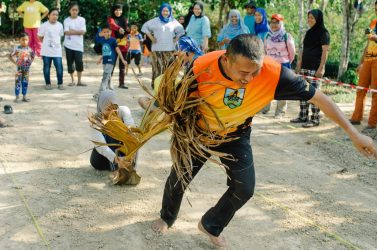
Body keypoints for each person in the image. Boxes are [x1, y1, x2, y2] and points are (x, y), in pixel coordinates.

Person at [151, 34, 377, 248]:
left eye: (255, 72)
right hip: (199, 132)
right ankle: (166, 217)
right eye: (243, 72)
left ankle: (211, 224)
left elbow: (320, 99)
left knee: (245, 188)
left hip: (235, 134)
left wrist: (353, 133)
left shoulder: (275, 74)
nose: (249, 79)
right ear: (226, 60)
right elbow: (176, 102)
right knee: (179, 176)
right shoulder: (202, 67)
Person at [137, 36, 203, 110]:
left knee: (143, 100)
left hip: (175, 106)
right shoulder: (191, 63)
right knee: (143, 99)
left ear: (188, 52)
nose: (178, 53)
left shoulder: (194, 65)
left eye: (179, 51)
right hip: (173, 105)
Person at [290, 9, 330, 128]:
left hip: (315, 68)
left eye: (312, 18)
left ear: (318, 19)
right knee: (303, 92)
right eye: (308, 17)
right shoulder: (308, 33)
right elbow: (303, 49)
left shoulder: (324, 33)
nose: (309, 20)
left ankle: (315, 119)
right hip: (304, 68)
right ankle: (303, 116)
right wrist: (298, 64)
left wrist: (321, 68)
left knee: (314, 94)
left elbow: (325, 51)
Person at [91, 90, 140, 184]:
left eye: (114, 107)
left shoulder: (123, 110)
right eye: (108, 108)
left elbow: (131, 127)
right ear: (101, 107)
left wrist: (132, 152)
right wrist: (116, 159)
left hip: (121, 155)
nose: (112, 112)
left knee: (133, 135)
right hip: (101, 159)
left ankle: (129, 167)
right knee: (111, 131)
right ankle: (115, 170)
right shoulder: (96, 120)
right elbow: (101, 146)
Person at [141, 3, 185, 88]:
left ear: (170, 11)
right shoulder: (155, 21)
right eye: (164, 11)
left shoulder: (173, 21)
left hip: (170, 49)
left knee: (169, 69)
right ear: (161, 11)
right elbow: (144, 27)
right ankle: (156, 87)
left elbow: (181, 30)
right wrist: (151, 38)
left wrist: (176, 39)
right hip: (157, 49)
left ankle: (167, 87)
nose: (165, 13)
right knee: (157, 69)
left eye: (167, 11)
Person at [349, 1, 377, 133]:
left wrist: (375, 37)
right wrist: (361, 62)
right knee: (360, 89)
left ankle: (372, 123)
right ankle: (356, 117)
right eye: (376, 9)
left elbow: (373, 38)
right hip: (368, 59)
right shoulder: (373, 23)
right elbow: (368, 44)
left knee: (375, 93)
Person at [262, 13, 295, 118]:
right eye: (272, 22)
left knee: (282, 88)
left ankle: (280, 112)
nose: (274, 25)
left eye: (277, 22)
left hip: (283, 65)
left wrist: (285, 61)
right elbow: (264, 50)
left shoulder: (287, 36)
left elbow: (292, 53)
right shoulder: (267, 35)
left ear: (281, 23)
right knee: (267, 87)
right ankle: (265, 108)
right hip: (269, 65)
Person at [95, 26, 127, 100]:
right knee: (108, 77)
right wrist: (100, 59)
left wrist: (122, 60)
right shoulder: (103, 40)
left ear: (110, 32)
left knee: (105, 76)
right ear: (103, 33)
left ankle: (100, 94)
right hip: (105, 61)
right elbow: (104, 51)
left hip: (110, 60)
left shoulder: (113, 40)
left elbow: (118, 50)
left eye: (107, 31)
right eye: (104, 32)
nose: (106, 33)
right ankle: (111, 91)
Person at [38, 8, 65, 90]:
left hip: (57, 51)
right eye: (53, 14)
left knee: (59, 68)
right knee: (46, 67)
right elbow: (40, 37)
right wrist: (47, 44)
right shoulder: (44, 25)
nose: (55, 16)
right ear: (48, 15)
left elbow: (60, 36)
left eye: (57, 15)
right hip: (46, 51)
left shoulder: (60, 25)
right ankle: (48, 84)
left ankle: (60, 83)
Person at [63, 2, 86, 87]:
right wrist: (77, 32)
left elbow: (83, 32)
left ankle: (79, 81)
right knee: (70, 63)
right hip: (68, 45)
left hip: (78, 46)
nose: (74, 11)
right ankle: (72, 80)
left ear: (78, 11)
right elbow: (66, 32)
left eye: (76, 10)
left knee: (79, 62)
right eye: (73, 10)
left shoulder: (82, 19)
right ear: (69, 10)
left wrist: (72, 31)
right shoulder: (66, 20)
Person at [107, 4, 130, 89]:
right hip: (113, 45)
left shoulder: (125, 19)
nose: (118, 12)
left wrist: (128, 30)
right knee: (111, 64)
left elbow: (127, 30)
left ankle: (122, 83)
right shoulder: (110, 19)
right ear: (113, 11)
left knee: (123, 64)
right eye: (116, 10)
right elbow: (112, 25)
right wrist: (119, 29)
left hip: (123, 45)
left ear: (122, 11)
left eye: (119, 10)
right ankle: (108, 83)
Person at [8, 32, 35, 103]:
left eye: (26, 40)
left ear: (28, 40)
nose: (25, 41)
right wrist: (15, 63)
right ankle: (17, 97)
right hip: (18, 69)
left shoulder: (29, 49)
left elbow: (33, 56)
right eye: (23, 40)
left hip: (26, 69)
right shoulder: (17, 49)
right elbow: (10, 56)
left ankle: (24, 96)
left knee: (25, 82)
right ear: (19, 40)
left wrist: (29, 63)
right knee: (17, 82)